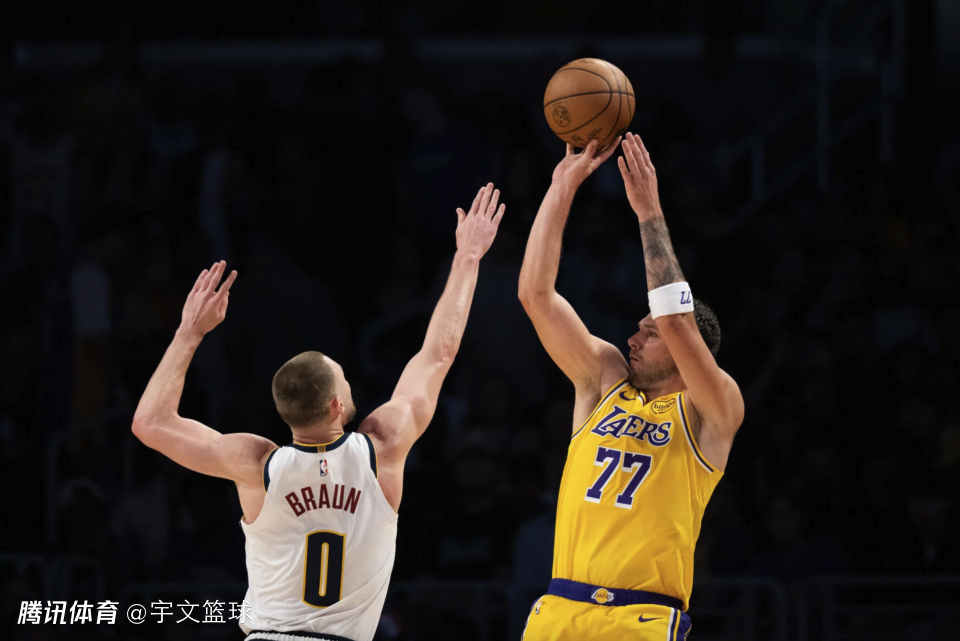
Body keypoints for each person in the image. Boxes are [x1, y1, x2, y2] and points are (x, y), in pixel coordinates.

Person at [131, 184, 506, 641]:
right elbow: (438, 355)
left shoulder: (256, 464)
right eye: (343, 379)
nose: (350, 383)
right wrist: (468, 256)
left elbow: (150, 423)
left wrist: (189, 332)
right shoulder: (383, 448)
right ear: (336, 404)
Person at [517, 133, 744, 640]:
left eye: (649, 332)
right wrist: (561, 188)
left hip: (640, 617)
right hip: (560, 609)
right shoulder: (604, 380)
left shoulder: (713, 410)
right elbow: (535, 295)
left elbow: (677, 321)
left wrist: (648, 212)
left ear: (688, 352)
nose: (633, 339)